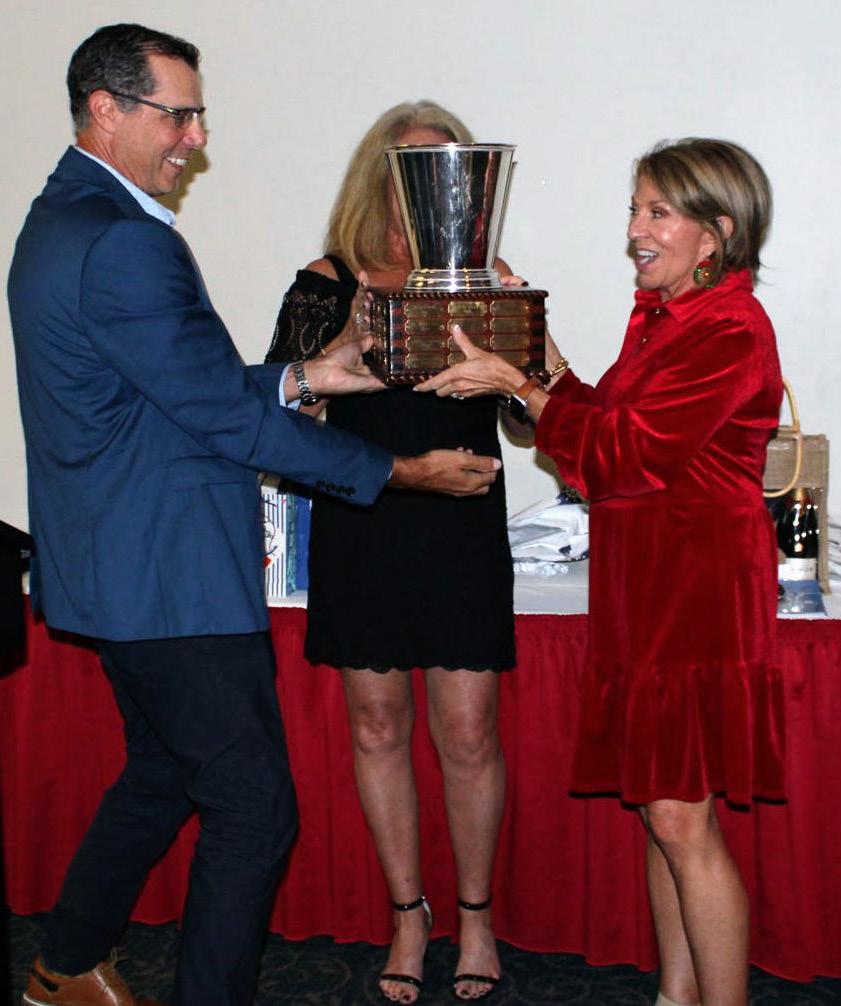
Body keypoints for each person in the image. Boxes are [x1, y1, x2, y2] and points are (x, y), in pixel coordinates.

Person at [8, 26, 502, 1006]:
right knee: (254, 810)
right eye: (179, 114)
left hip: (118, 571)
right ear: (106, 109)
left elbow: (174, 391)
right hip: (171, 578)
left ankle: (64, 964)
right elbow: (221, 420)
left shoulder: (59, 219)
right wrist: (398, 469)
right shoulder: (124, 240)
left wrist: (308, 375)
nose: (196, 137)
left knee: (162, 771)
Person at [418, 138, 783, 1006]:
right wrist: (528, 343)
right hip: (649, 584)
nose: (634, 232)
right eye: (634, 210)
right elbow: (595, 419)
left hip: (694, 592)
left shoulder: (729, 328)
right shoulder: (668, 320)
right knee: (665, 812)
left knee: (680, 818)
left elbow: (620, 456)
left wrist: (519, 385)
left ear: (714, 234)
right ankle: (676, 995)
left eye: (657, 213)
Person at [264, 101, 514, 1003]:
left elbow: (532, 422)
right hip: (364, 519)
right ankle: (408, 915)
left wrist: (519, 335)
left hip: (462, 523)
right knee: (375, 727)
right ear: (380, 176)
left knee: (468, 733)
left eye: (443, 169)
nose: (426, 187)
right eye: (410, 167)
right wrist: (341, 345)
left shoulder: (483, 279)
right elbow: (279, 412)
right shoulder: (326, 281)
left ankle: (476, 918)